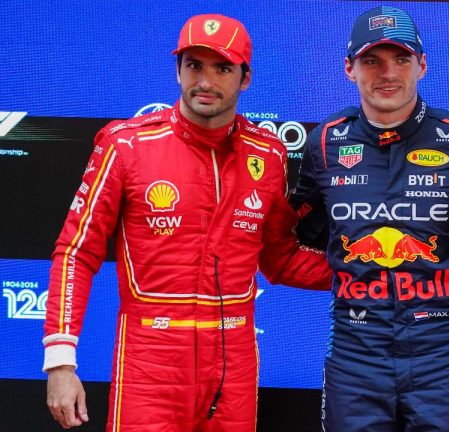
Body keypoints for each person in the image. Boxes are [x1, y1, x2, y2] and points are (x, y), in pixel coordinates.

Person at [43, 14, 331, 431]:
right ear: (178, 69)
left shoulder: (267, 154)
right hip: (150, 361)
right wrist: (60, 363)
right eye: (194, 65)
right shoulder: (125, 145)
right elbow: (75, 252)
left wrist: (362, 269)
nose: (205, 81)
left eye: (222, 68)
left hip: (233, 360)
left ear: (245, 78)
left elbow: (280, 259)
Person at [290, 6, 449, 431]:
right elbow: (301, 235)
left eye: (401, 59)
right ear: (349, 68)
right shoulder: (324, 143)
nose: (388, 73)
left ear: (422, 65)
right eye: (372, 60)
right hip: (354, 357)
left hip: (441, 356)